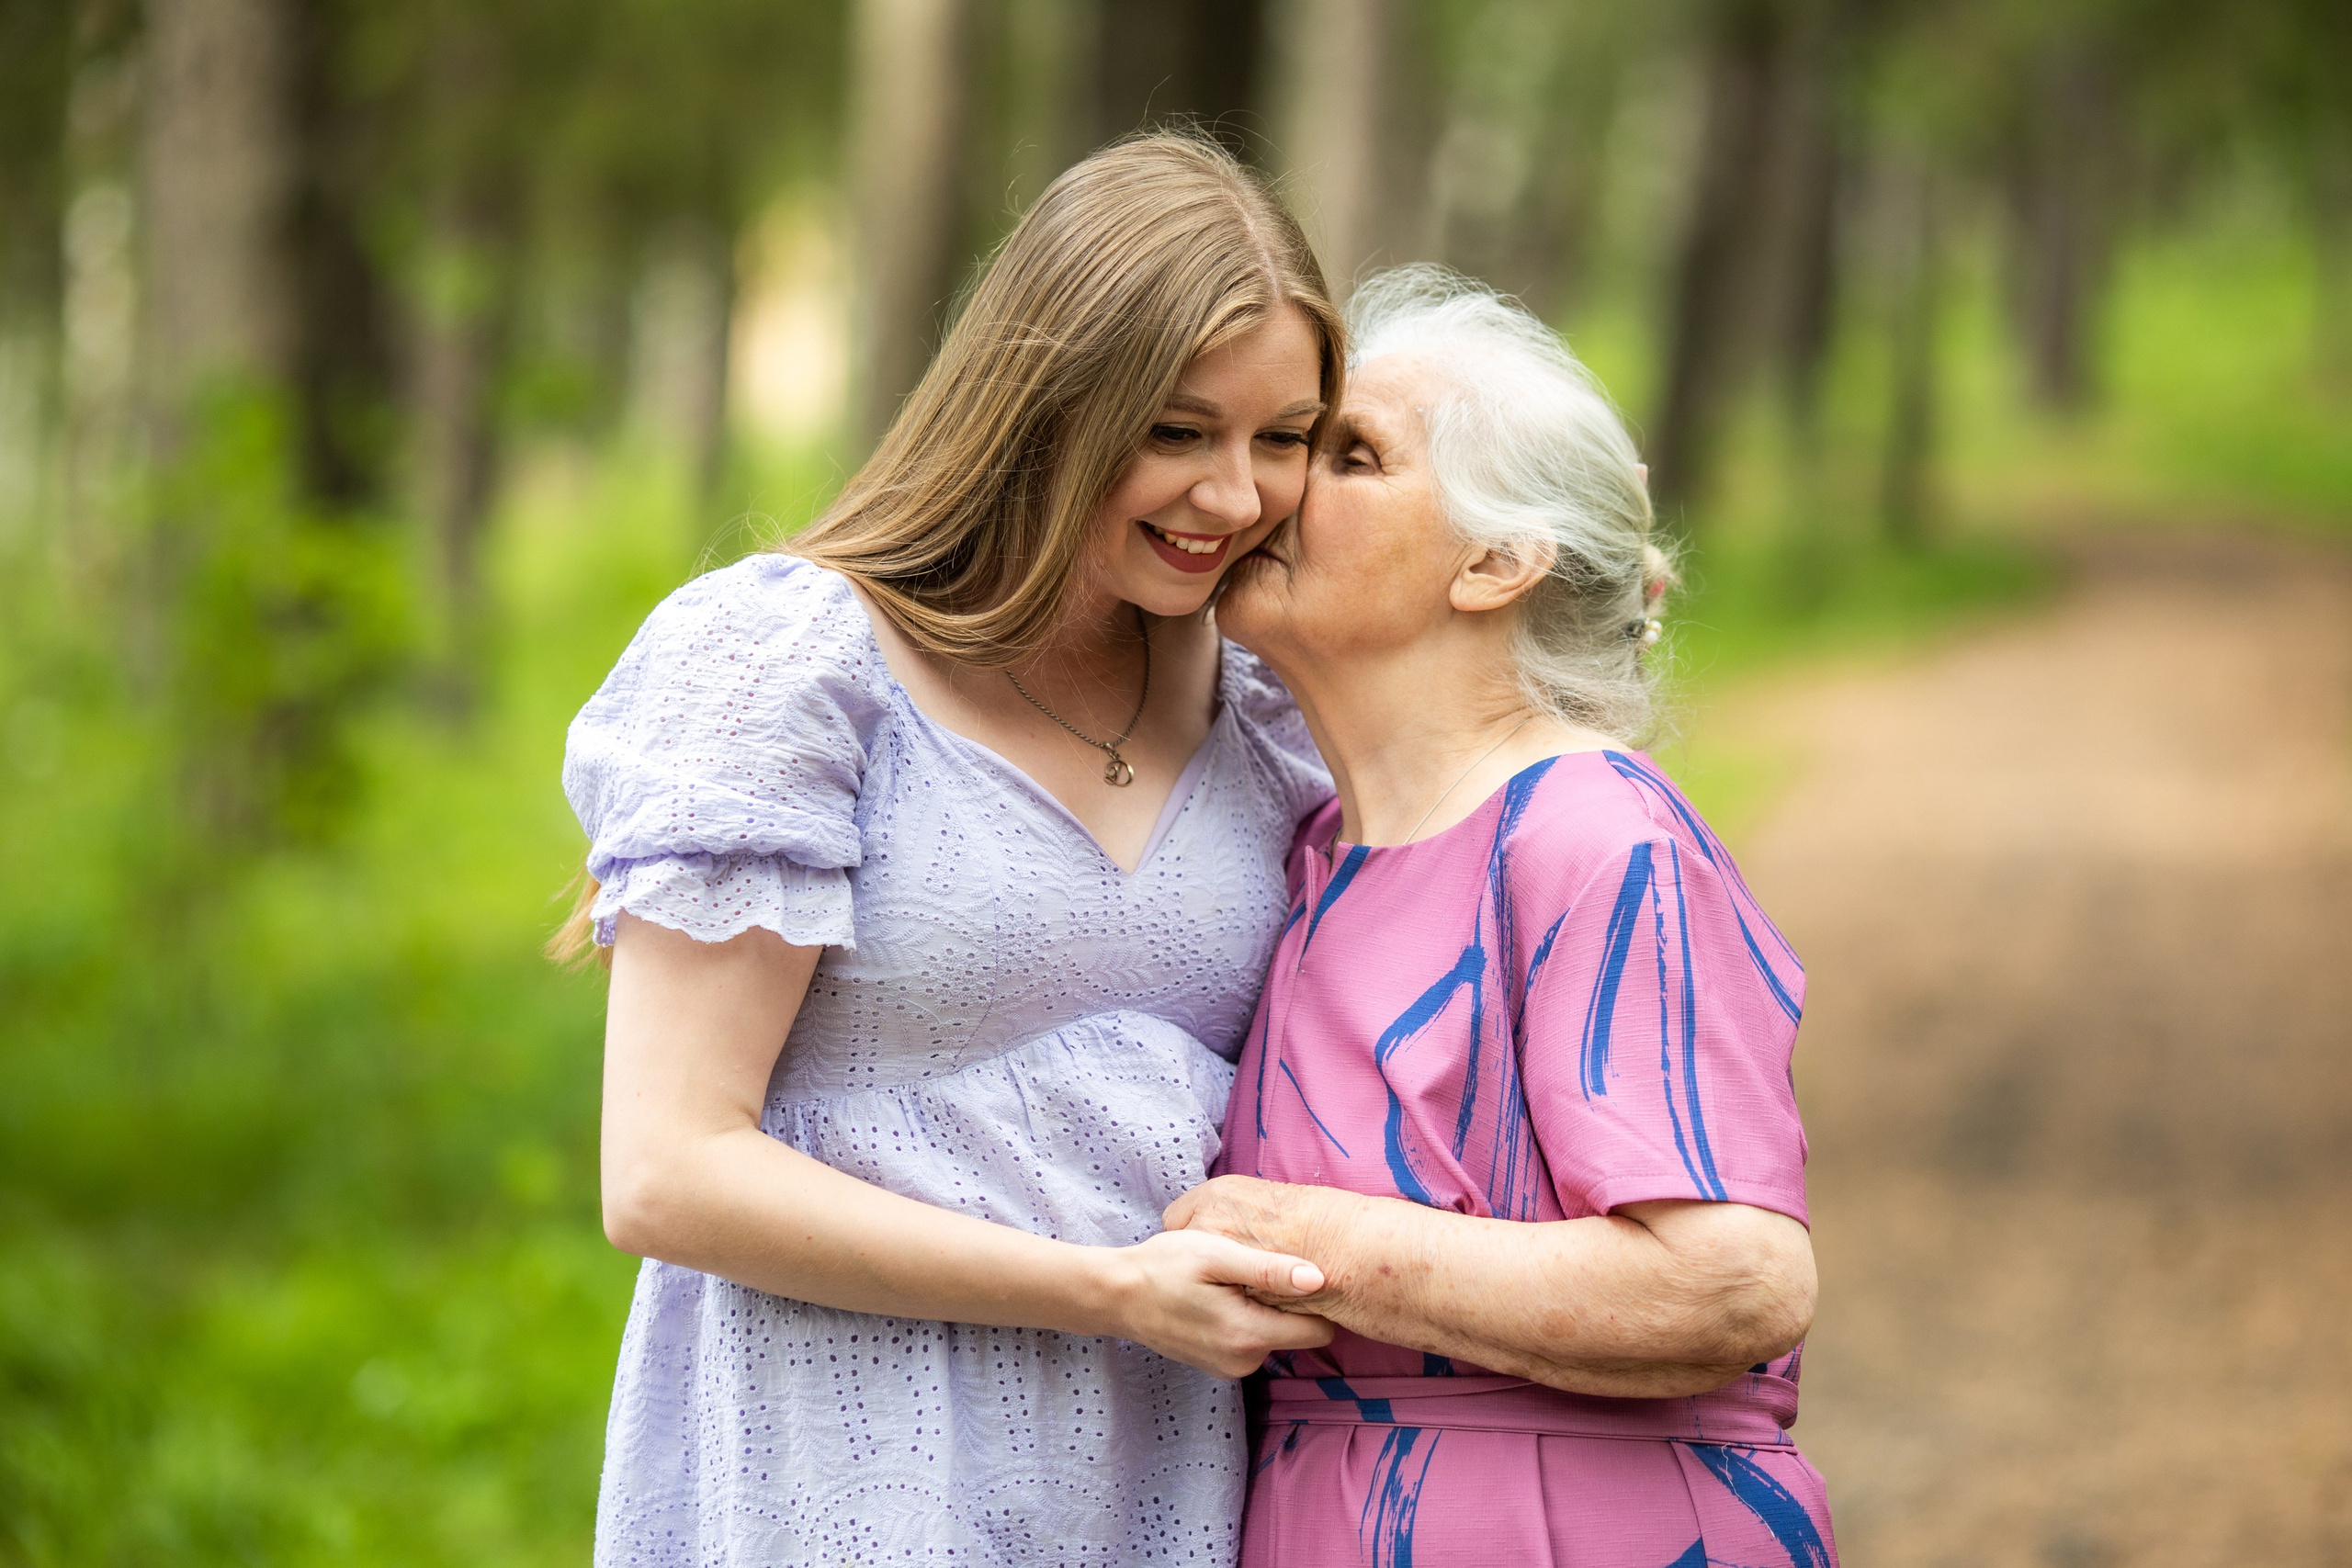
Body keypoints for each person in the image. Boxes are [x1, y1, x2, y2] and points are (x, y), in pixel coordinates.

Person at [554, 135, 1349, 1564]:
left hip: (1166, 1473)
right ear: (1044, 404)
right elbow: (665, 1174)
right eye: (1176, 432)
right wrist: (1105, 1289)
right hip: (840, 1470)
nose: (1234, 496)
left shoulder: (1272, 707)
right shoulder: (792, 668)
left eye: (1280, 439)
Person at [1170, 265, 1838, 1567]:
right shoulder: (1311, 855)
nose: (1275, 490)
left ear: (1497, 562)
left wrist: (1302, 1242)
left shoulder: (1595, 837)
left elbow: (1732, 1282)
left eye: (1347, 454)